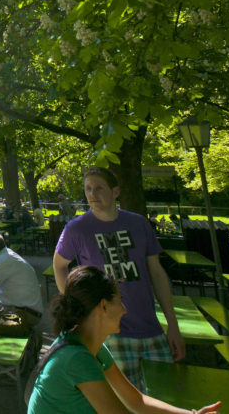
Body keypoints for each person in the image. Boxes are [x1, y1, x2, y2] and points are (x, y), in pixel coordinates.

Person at [53, 167, 184, 390]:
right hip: (109, 334)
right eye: (88, 189)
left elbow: (157, 272)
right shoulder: (76, 229)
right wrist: (77, 306)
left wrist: (173, 325)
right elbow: (59, 266)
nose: (92, 194)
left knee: (166, 395)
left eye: (99, 188)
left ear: (115, 192)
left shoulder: (139, 223)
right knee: (124, 403)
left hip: (150, 328)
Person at [27, 265, 220, 414]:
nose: (124, 309)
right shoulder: (76, 358)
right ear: (103, 306)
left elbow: (137, 402)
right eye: (119, 301)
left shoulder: (89, 347)